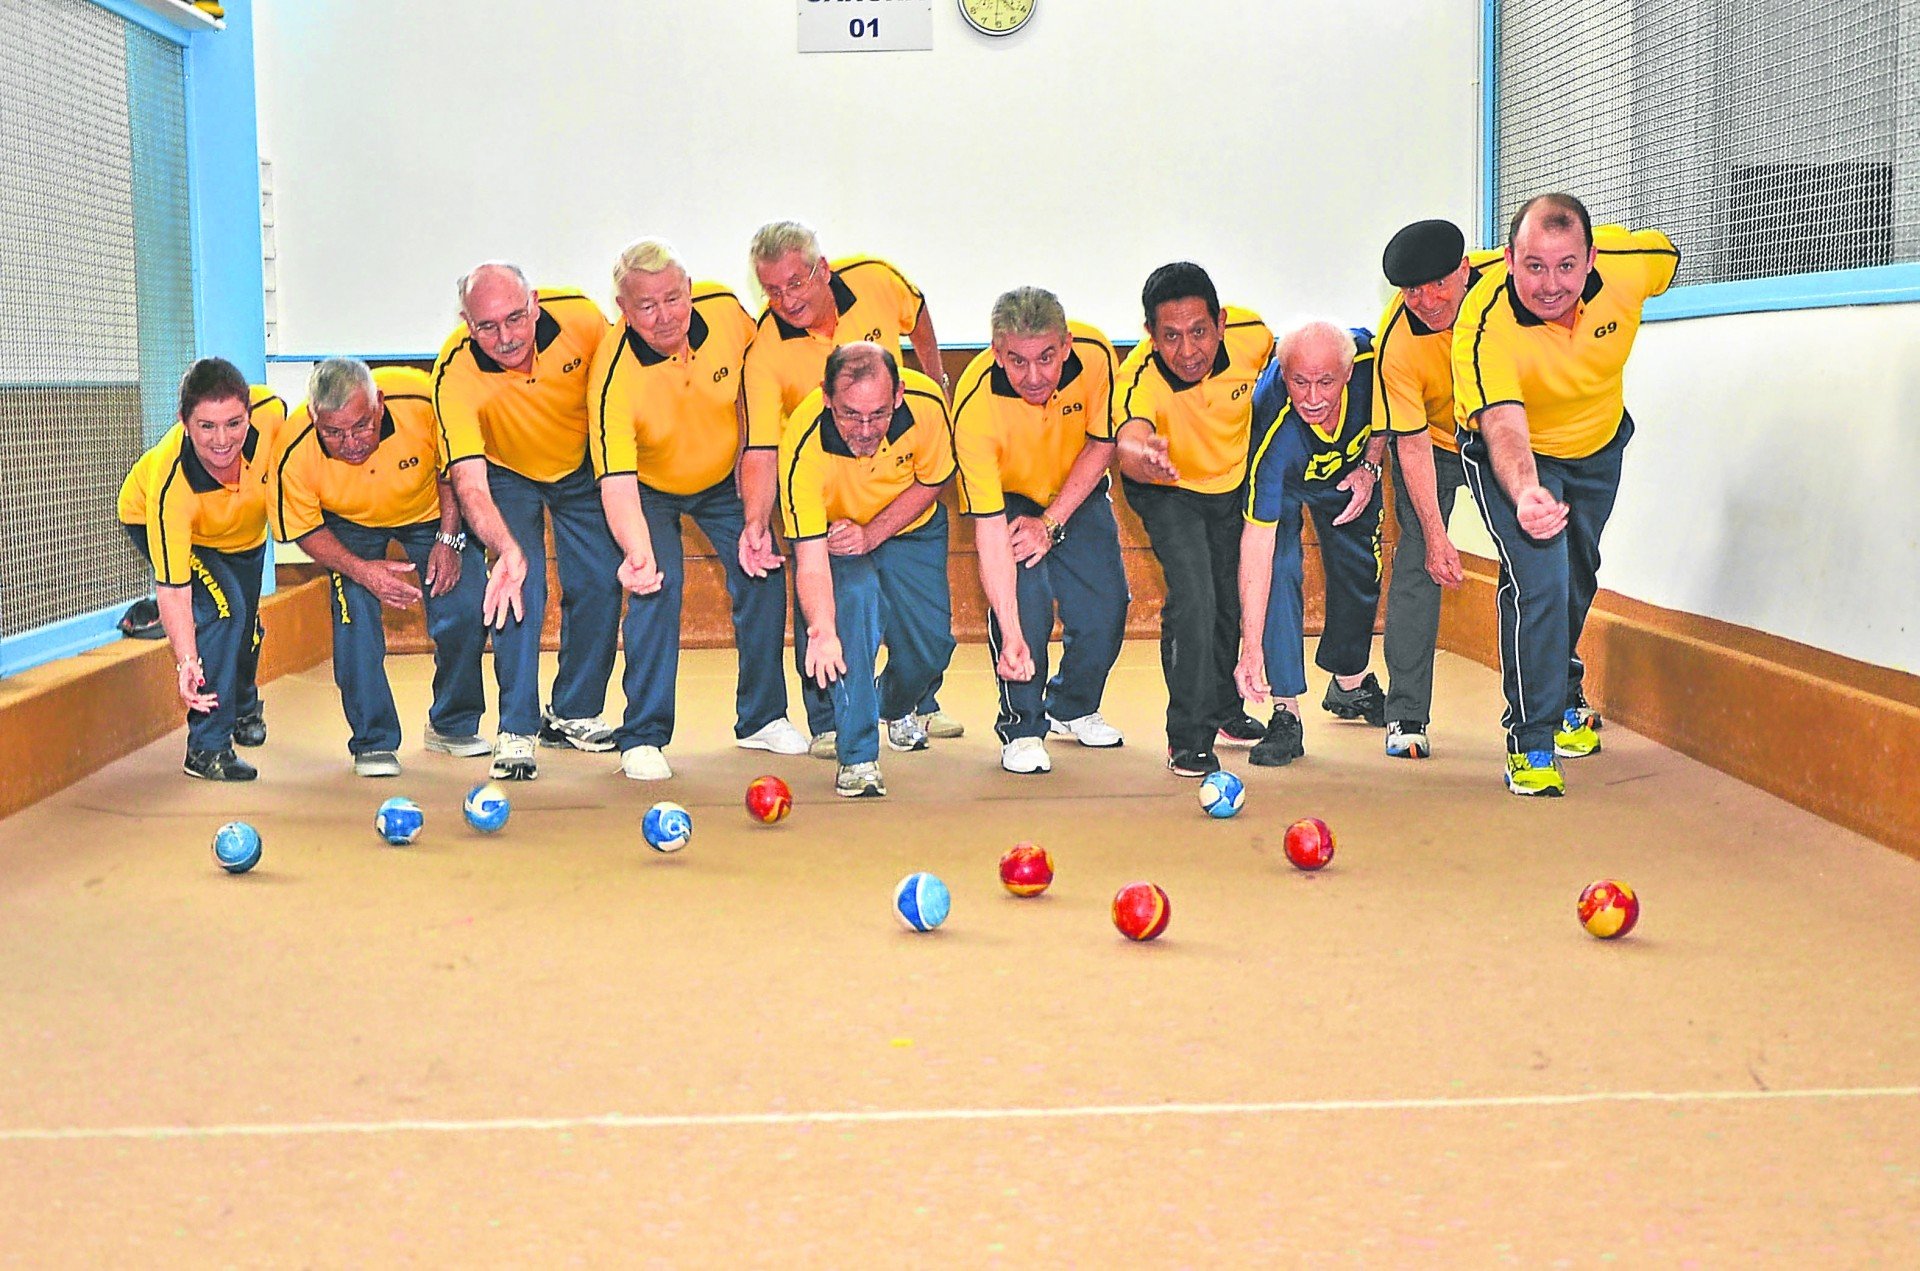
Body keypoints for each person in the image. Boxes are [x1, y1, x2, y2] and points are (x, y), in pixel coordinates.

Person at [1453, 192, 1677, 795]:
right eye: (1532, 266)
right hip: (1516, 455)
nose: (1551, 285)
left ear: (1591, 257)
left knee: (1578, 574)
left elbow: (1668, 254)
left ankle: (1564, 682)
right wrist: (1527, 491)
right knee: (1540, 576)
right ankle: (1531, 739)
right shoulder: (1484, 322)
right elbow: (1502, 424)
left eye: (1566, 266)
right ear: (1508, 259)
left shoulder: (1629, 266)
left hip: (1598, 448)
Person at [587, 238, 807, 781]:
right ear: (623, 308)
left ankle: (761, 718)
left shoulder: (728, 314)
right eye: (646, 306)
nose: (665, 317)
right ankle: (642, 735)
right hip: (648, 489)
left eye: (672, 298)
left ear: (689, 289)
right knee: (654, 585)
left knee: (762, 573)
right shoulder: (612, 379)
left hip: (720, 479)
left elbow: (755, 382)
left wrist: (748, 464)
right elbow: (615, 483)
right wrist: (637, 554)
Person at [742, 220, 960, 752]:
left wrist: (934, 374)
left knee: (932, 641)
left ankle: (898, 702)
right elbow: (763, 448)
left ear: (824, 269)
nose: (785, 300)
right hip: (829, 508)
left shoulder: (877, 280)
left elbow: (919, 313)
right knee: (839, 611)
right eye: (771, 289)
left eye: (795, 283)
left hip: (902, 501)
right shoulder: (766, 351)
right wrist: (755, 520)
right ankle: (833, 722)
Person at [432, 261, 614, 781]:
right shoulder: (454, 371)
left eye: (515, 318)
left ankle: (574, 712)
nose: (506, 337)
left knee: (601, 581)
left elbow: (618, 396)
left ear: (534, 303)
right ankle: (516, 728)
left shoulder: (583, 320)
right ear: (467, 324)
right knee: (516, 584)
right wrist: (507, 551)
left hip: (580, 466)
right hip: (505, 473)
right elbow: (467, 483)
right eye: (487, 326)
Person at [272, 359, 490, 777]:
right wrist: (361, 570)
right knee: (353, 609)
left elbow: (453, 472)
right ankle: (373, 740)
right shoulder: (293, 449)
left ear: (380, 405)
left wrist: (448, 537)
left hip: (429, 511)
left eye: (361, 426)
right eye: (332, 433)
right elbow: (303, 528)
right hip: (348, 525)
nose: (350, 442)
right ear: (314, 417)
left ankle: (452, 724)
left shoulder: (422, 400)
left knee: (466, 603)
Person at [952, 286, 1128, 774]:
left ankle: (1071, 707)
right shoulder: (973, 406)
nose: (1034, 376)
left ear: (1067, 345)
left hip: (1075, 487)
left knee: (1106, 608)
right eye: (1017, 361)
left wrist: (1051, 522)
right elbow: (988, 530)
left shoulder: (1096, 357)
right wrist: (1009, 632)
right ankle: (1023, 727)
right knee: (1025, 605)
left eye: (1047, 358)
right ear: (995, 352)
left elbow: (1101, 442)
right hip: (1007, 498)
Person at [1113, 262, 1274, 777]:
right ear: (1151, 336)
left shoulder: (1256, 338)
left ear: (1221, 322)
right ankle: (1187, 735)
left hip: (1231, 484)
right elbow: (1129, 440)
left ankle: (1225, 710)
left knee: (1229, 597)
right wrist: (1143, 455)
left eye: (1200, 332)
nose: (1188, 351)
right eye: (1171, 337)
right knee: (1195, 597)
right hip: (1167, 487)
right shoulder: (1137, 375)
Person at [778, 343, 956, 798]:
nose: (864, 430)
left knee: (932, 647)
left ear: (897, 395)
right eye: (850, 415)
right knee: (853, 611)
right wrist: (820, 628)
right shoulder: (802, 445)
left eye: (877, 414)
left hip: (909, 527)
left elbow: (932, 480)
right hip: (835, 542)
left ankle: (891, 702)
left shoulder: (927, 407)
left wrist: (873, 533)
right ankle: (857, 756)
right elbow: (811, 557)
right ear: (825, 398)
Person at [1232, 322, 1389, 767]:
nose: (1314, 398)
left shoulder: (1372, 364)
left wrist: (1371, 466)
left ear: (1347, 374)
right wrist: (1251, 649)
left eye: (1326, 383)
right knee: (1281, 569)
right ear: (1283, 375)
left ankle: (1350, 682)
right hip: (1286, 481)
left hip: (1348, 470)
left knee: (1361, 568)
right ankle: (1286, 710)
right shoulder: (1272, 431)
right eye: (1299, 382)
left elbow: (1390, 414)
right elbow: (1257, 548)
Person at [1373, 219, 1502, 759]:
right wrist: (1435, 534)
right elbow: (1412, 441)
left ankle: (1558, 698)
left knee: (1543, 557)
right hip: (1438, 443)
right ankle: (1405, 714)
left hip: (1508, 435)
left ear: (1465, 271)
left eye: (1438, 285)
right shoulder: (1396, 341)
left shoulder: (1510, 290)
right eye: (1411, 290)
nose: (1425, 300)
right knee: (1418, 562)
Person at [116, 358, 275, 780]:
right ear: (184, 422)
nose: (223, 440)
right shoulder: (173, 484)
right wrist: (186, 659)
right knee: (223, 613)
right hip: (174, 530)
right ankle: (206, 750)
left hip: (241, 535)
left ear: (249, 414)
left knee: (246, 624)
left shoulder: (274, 416)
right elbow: (174, 586)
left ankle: (242, 707)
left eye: (234, 423)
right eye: (206, 426)